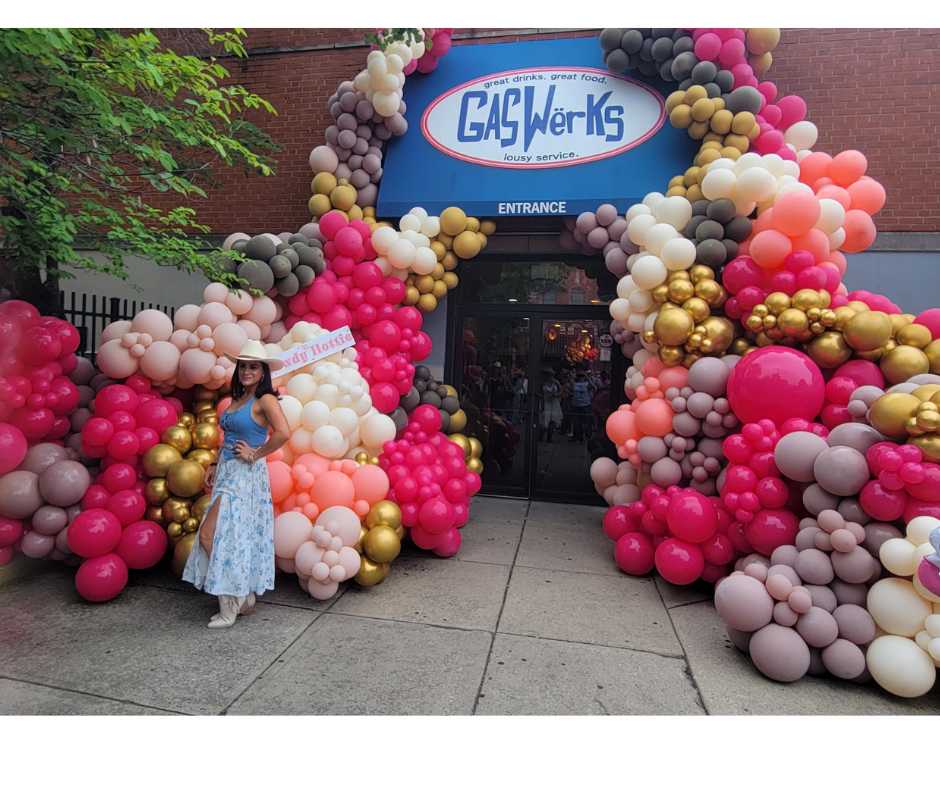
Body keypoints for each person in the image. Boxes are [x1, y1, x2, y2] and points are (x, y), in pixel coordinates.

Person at [183, 340, 290, 629]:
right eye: (243, 366)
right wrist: (216, 464)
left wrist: (255, 454)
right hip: (227, 472)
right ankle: (242, 596)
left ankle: (231, 604)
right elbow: (228, 436)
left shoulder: (265, 399)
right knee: (231, 537)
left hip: (245, 476)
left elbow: (283, 433)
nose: (246, 371)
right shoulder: (238, 399)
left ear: (263, 371)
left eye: (253, 366)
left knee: (211, 535)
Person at [570, 369, 594, 444]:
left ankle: (589, 437)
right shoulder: (575, 384)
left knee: (587, 423)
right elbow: (571, 388)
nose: (581, 377)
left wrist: (586, 376)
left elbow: (593, 386)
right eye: (579, 376)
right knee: (577, 423)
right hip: (576, 405)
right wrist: (572, 377)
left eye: (582, 376)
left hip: (585, 405)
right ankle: (578, 438)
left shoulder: (586, 384)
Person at [539, 369, 563, 442]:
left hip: (554, 403)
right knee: (544, 419)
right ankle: (540, 436)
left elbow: (561, 391)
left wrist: (556, 395)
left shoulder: (556, 383)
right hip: (545, 403)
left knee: (553, 420)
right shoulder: (542, 383)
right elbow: (539, 393)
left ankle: (549, 437)